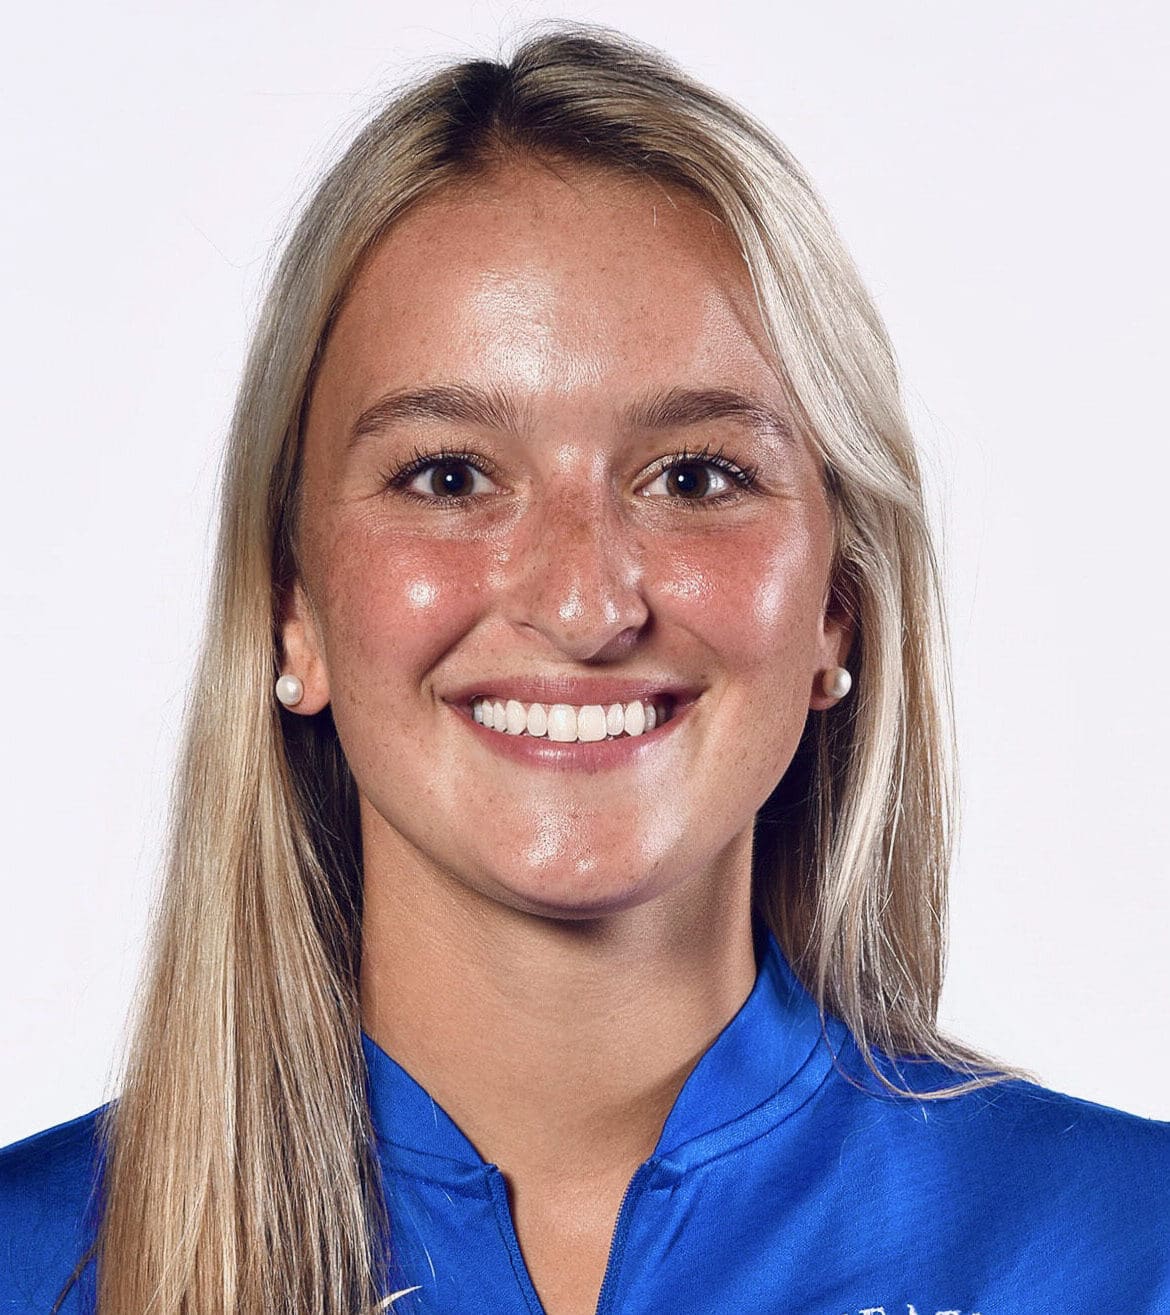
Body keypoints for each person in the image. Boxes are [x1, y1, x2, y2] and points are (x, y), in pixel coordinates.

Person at [1, 23, 1167, 1315]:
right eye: (448, 477)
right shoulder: (27, 1265)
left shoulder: (1130, 1254)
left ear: (837, 613)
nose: (582, 602)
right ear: (292, 609)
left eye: (695, 477)